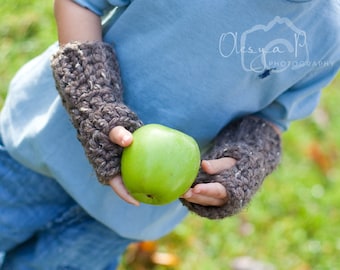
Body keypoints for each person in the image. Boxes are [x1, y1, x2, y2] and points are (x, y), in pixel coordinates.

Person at [0, 0, 339, 269]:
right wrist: (94, 101)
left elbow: (272, 118)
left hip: (130, 212)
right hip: (43, 148)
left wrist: (247, 161)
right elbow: (81, 3)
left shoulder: (329, 32)